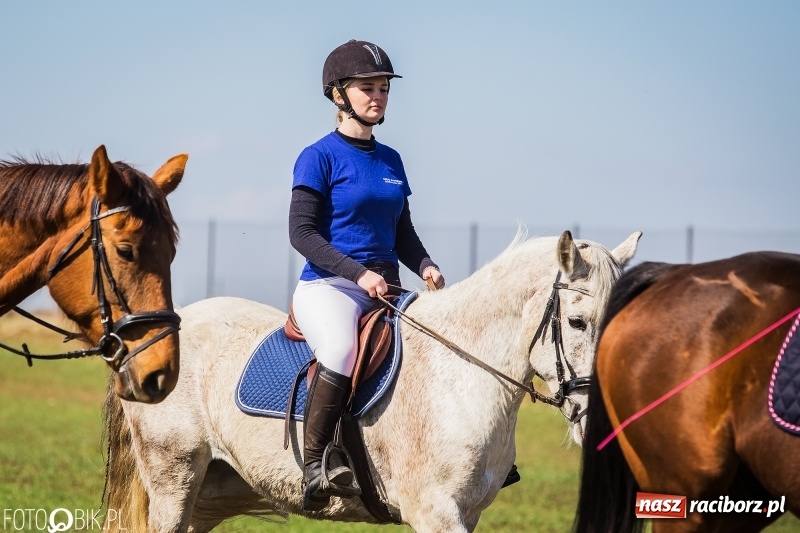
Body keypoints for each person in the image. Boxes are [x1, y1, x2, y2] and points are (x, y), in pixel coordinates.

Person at [289, 39, 445, 512]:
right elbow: (301, 233)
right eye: (366, 88)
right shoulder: (318, 156)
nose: (377, 96)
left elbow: (404, 233)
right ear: (338, 95)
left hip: (385, 287)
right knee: (340, 347)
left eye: (382, 88)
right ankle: (315, 465)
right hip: (329, 286)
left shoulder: (391, 160)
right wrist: (357, 274)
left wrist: (425, 265)